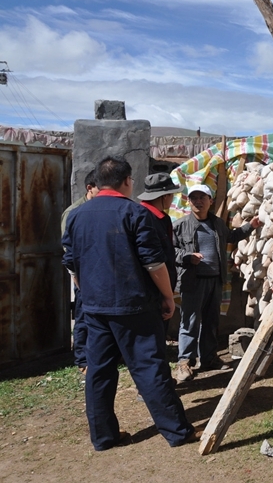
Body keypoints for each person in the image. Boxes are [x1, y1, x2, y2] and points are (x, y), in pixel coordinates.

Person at [62, 157, 197, 451]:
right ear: (126, 181)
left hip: (94, 308)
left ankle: (104, 437)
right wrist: (167, 296)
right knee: (150, 369)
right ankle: (177, 431)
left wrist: (89, 293)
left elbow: (71, 265)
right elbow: (154, 263)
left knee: (99, 372)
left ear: (98, 182)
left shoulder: (77, 215)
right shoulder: (135, 213)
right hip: (134, 306)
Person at [173, 184, 261, 383]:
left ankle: (209, 358)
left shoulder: (217, 224)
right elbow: (170, 250)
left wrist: (251, 226)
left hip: (215, 280)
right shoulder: (180, 225)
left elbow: (232, 236)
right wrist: (187, 257)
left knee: (211, 321)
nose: (198, 201)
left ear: (210, 201)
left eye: (202, 198)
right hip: (193, 282)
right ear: (188, 201)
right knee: (190, 322)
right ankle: (184, 362)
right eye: (194, 198)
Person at [60, 170, 99, 374]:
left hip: (98, 272)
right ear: (89, 188)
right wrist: (77, 277)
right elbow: (69, 248)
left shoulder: (98, 208)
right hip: (82, 273)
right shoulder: (74, 212)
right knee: (83, 315)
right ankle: (83, 359)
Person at [138, 172, 182, 335]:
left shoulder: (161, 218)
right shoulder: (144, 218)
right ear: (165, 196)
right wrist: (166, 295)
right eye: (171, 195)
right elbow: (153, 262)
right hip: (151, 292)